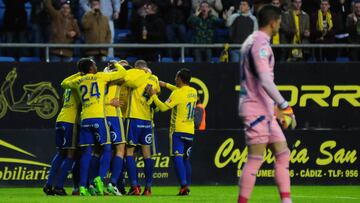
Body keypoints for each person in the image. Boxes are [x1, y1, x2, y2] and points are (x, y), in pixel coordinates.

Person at [238, 5, 296, 203]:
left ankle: (286, 200)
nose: (279, 25)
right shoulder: (260, 44)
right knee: (255, 158)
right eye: (279, 22)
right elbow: (264, 80)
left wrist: (274, 109)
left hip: (264, 109)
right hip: (256, 110)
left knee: (283, 153)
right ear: (273, 23)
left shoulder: (250, 41)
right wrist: (284, 105)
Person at [61, 58, 127, 196]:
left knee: (86, 153)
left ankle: (83, 187)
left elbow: (63, 83)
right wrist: (114, 63)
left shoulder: (78, 81)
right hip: (98, 118)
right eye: (95, 64)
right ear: (91, 68)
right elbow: (121, 73)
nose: (97, 66)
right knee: (108, 148)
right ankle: (99, 178)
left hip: (85, 119)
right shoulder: (101, 77)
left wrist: (80, 74)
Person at [147, 68, 197, 196]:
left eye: (176, 77)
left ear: (180, 79)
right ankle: (187, 186)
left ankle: (183, 185)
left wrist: (153, 95)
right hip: (190, 131)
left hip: (178, 131)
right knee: (186, 159)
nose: (174, 79)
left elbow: (163, 107)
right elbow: (179, 91)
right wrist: (165, 85)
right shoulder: (193, 91)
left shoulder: (177, 94)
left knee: (177, 159)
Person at [123, 60, 159, 196]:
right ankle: (148, 188)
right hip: (147, 120)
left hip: (133, 118)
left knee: (129, 153)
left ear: (135, 67)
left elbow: (127, 82)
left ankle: (134, 186)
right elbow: (156, 92)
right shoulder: (154, 77)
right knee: (147, 154)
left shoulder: (132, 72)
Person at [43, 72, 81, 196]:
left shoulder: (69, 86)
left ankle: (49, 185)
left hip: (60, 119)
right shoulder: (81, 84)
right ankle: (59, 187)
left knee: (60, 153)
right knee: (71, 154)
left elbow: (64, 83)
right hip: (71, 122)